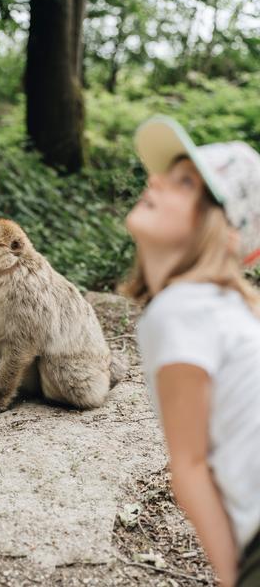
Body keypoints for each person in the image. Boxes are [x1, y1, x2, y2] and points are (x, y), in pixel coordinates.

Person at [123, 115, 260, 587]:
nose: (156, 180)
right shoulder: (215, 310)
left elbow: (191, 468)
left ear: (219, 231)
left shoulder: (184, 308)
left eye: (186, 182)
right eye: (167, 172)